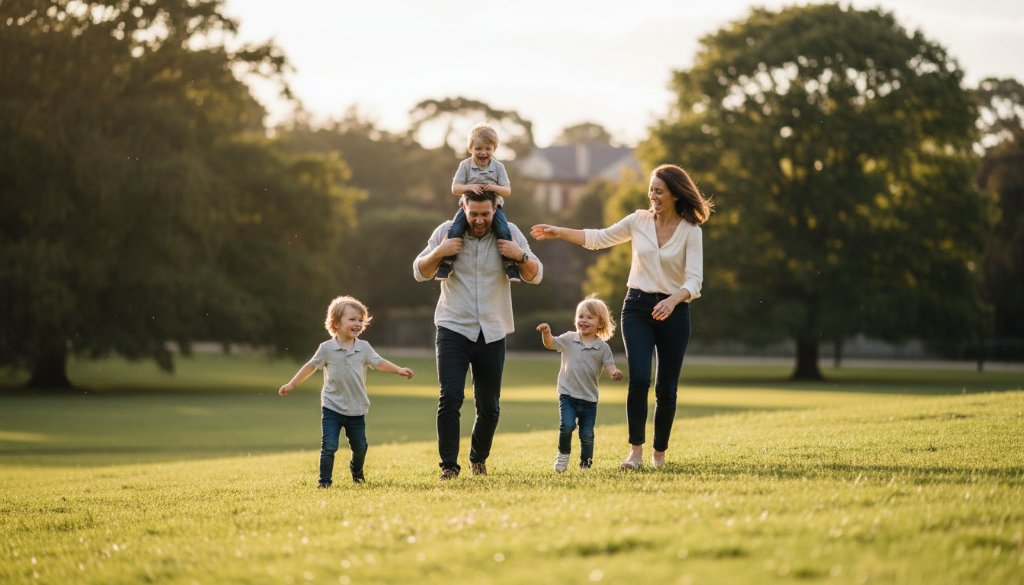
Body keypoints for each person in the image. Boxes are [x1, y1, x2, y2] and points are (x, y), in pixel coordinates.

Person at [530, 164, 713, 470]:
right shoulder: (639, 220)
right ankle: (636, 452)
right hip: (638, 308)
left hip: (675, 310)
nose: (652, 195)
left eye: (659, 191)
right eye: (651, 189)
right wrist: (560, 232)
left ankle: (659, 455)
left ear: (675, 194)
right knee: (640, 379)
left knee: (666, 387)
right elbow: (599, 238)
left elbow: (694, 281)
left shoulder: (691, 232)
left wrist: (672, 300)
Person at [413, 191, 543, 480]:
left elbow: (536, 275)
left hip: (493, 330)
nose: (480, 220)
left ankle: (478, 459)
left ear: (496, 209)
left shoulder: (510, 234)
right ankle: (449, 466)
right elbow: (419, 272)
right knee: (450, 397)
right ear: (464, 207)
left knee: (489, 406)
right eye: (474, 214)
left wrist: (518, 255)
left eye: (486, 213)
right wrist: (440, 251)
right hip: (452, 327)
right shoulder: (446, 232)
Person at [278, 296, 414, 487]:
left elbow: (379, 362)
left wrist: (399, 370)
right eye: (352, 319)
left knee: (360, 448)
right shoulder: (326, 349)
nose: (357, 323)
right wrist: (292, 384)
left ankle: (356, 471)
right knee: (329, 447)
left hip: (356, 409)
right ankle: (324, 482)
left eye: (360, 320)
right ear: (336, 323)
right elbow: (310, 366)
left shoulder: (364, 348)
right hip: (332, 407)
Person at [536, 294, 623, 472]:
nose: (583, 320)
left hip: (589, 398)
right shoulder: (569, 339)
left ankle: (586, 464)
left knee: (587, 435)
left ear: (600, 323)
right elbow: (551, 344)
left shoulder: (603, 347)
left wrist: (614, 372)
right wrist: (546, 333)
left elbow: (610, 366)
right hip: (567, 394)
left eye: (590, 317)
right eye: (580, 316)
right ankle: (563, 455)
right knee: (566, 426)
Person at [436, 123, 522, 282]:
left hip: (493, 208)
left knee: (503, 230)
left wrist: (494, 187)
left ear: (494, 149)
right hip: (469, 208)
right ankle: (446, 263)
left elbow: (507, 191)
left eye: (488, 149)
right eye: (478, 149)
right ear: (470, 149)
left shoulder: (498, 167)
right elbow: (455, 188)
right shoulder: (465, 165)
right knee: (455, 229)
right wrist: (470, 187)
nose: (483, 153)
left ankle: (511, 265)